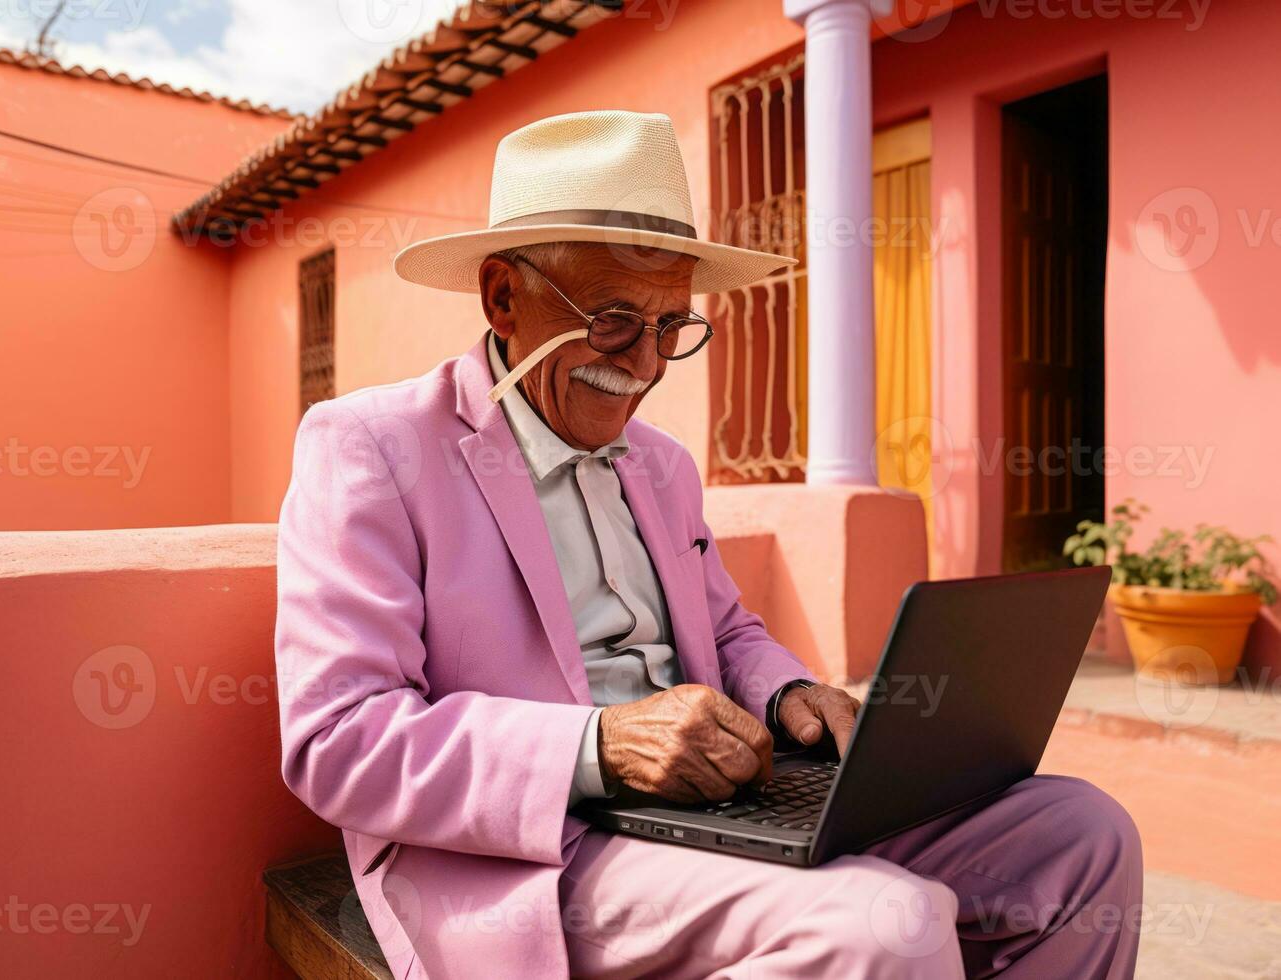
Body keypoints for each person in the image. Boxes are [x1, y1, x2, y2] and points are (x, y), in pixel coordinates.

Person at [274, 110, 1142, 978]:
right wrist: (600, 745)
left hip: (720, 804)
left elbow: (725, 633)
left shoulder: (663, 467)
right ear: (504, 295)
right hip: (536, 851)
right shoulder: (372, 447)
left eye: (671, 328)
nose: (647, 366)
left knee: (1081, 841)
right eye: (613, 319)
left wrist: (788, 694)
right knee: (886, 926)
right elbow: (339, 742)